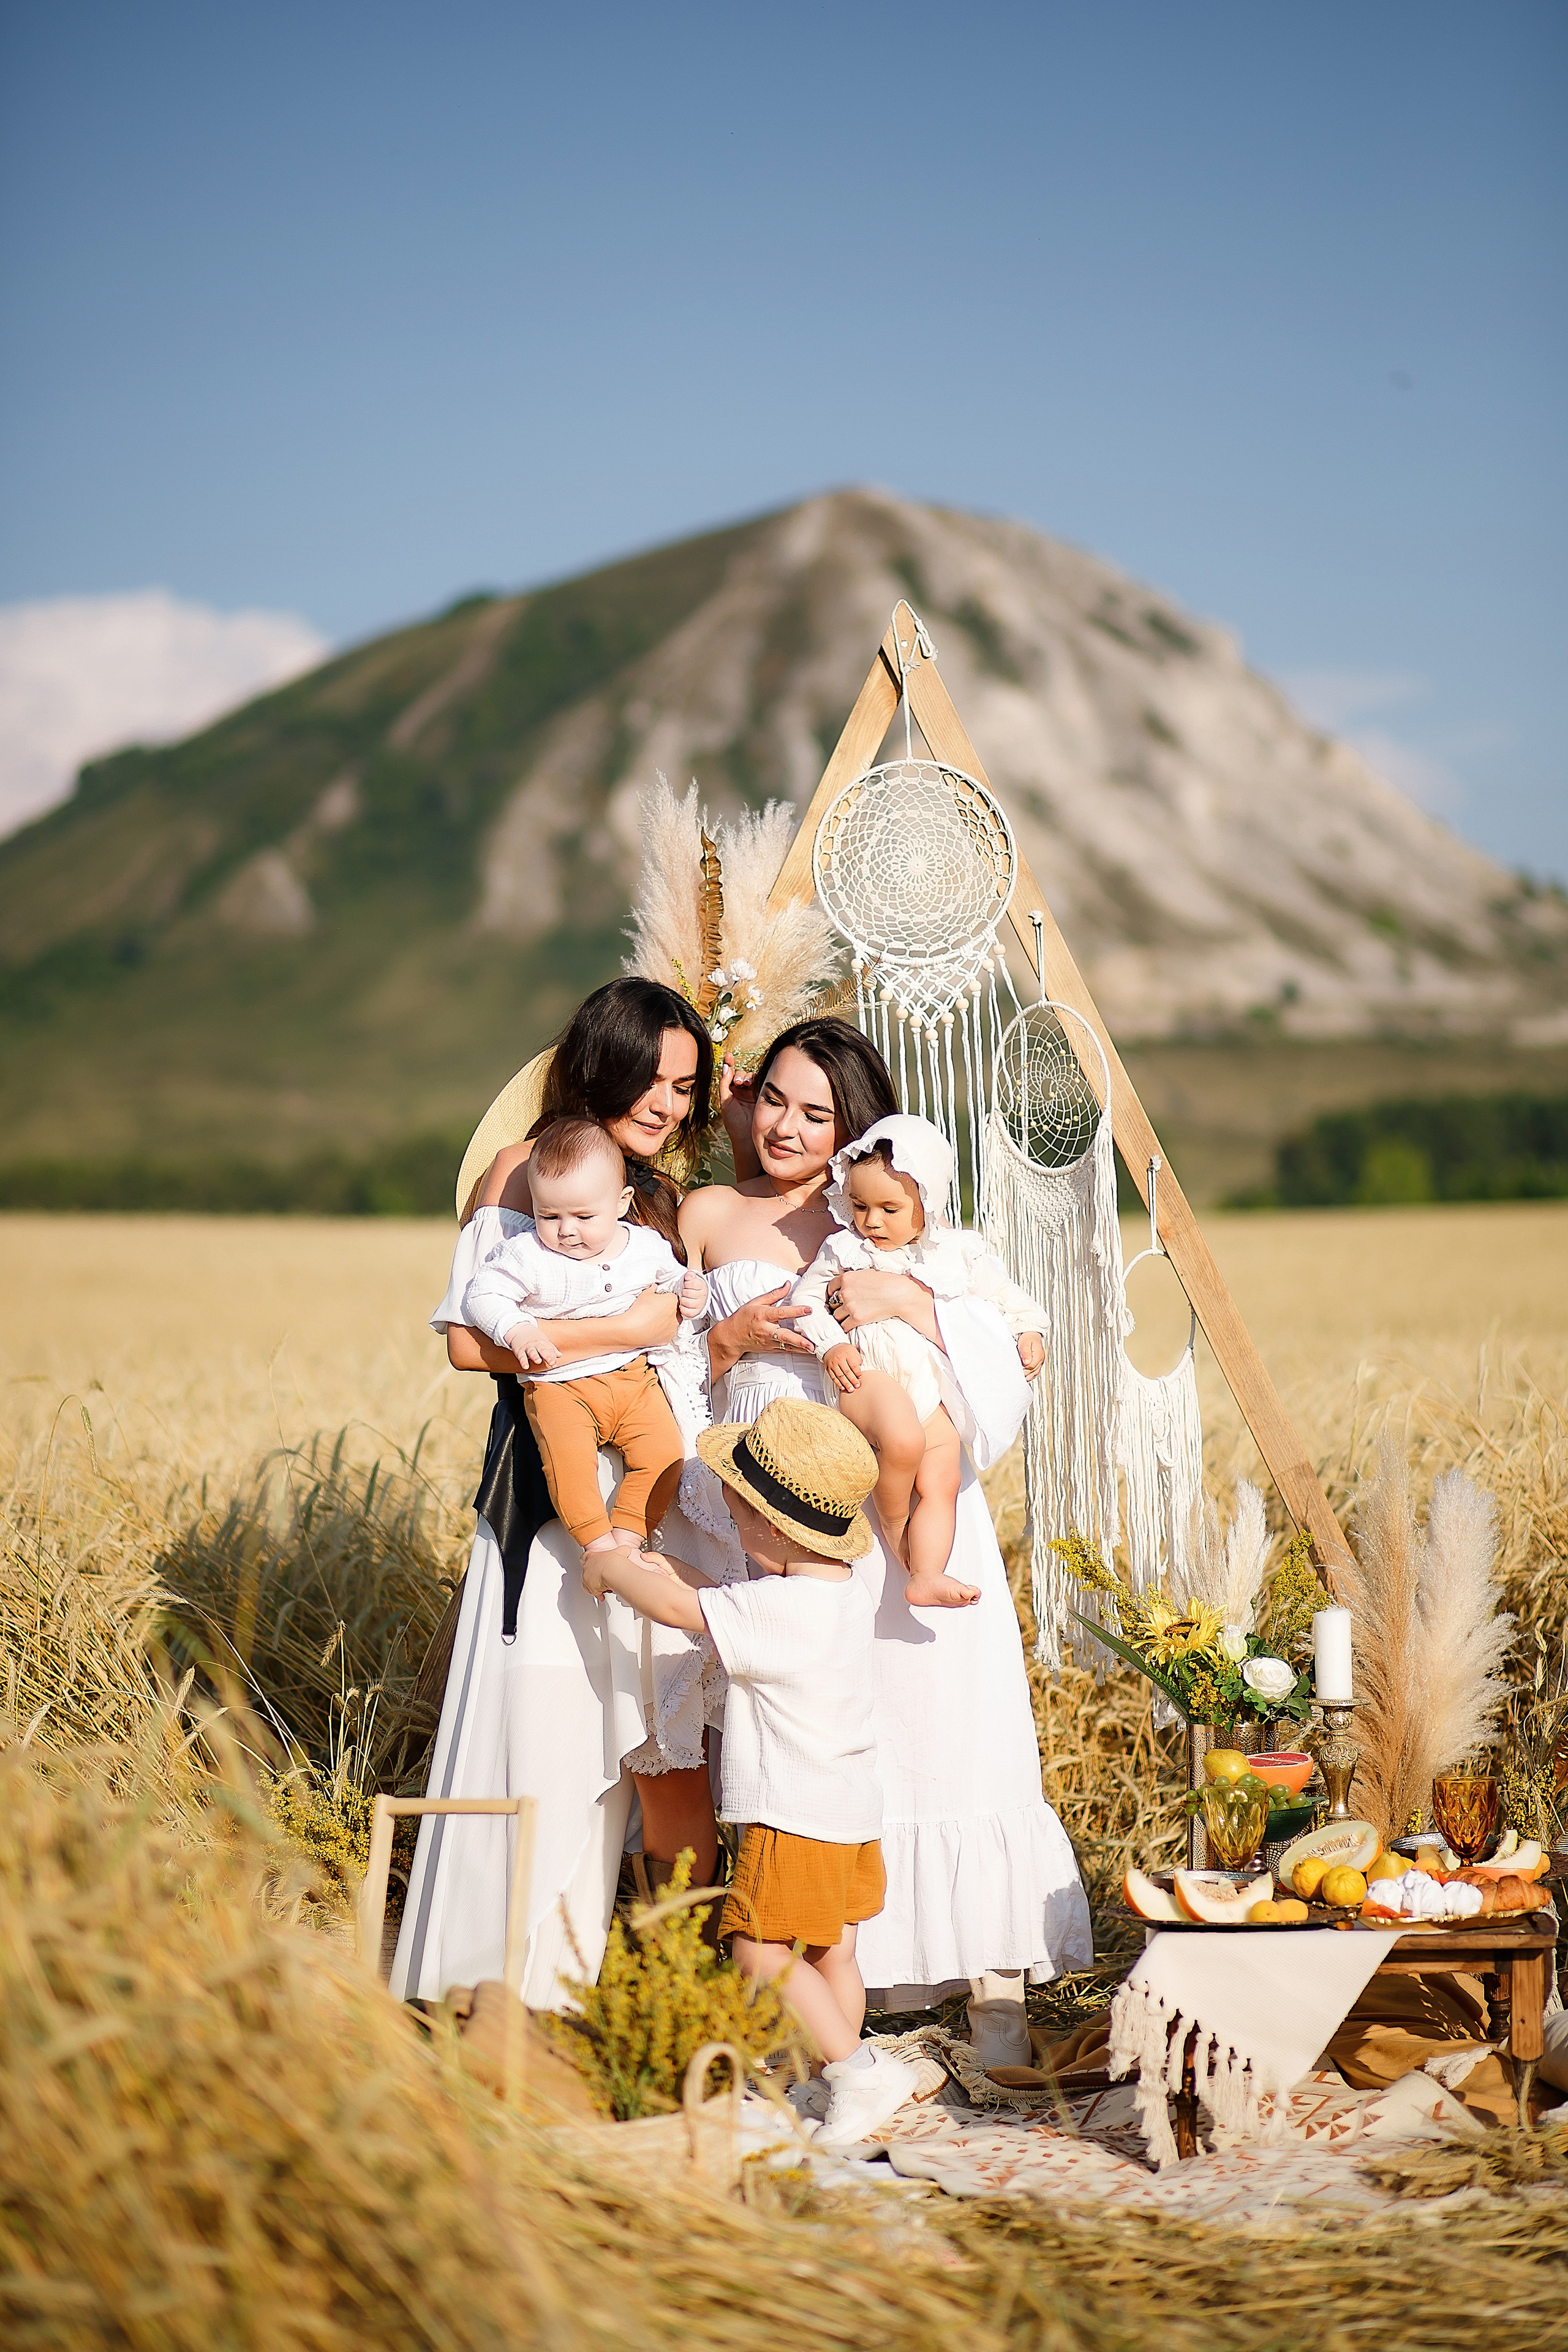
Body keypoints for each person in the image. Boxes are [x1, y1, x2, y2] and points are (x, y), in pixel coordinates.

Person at [680, 1019, 1093, 2061]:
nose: (785, 1125)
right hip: (790, 1525)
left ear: (859, 1129)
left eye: (817, 1112)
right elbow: (671, 1366)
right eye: (773, 1099)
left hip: (913, 1510)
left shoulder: (889, 1215)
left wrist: (908, 1296)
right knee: (831, 1753)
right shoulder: (712, 1212)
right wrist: (728, 1338)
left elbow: (1004, 1354)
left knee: (950, 1724)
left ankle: (993, 1982)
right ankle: (840, 1996)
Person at [391, 978, 736, 2011]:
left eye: (686, 1086)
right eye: (651, 1078)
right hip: (550, 1501)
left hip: (657, 1500)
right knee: (546, 1726)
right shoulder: (522, 1170)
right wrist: (621, 1332)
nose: (668, 1103)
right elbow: (467, 1342)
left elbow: (681, 1341)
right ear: (599, 1065)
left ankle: (658, 1992)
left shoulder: (652, 1197)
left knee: (660, 1750)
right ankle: (510, 1989)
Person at [589, 1396, 925, 2149]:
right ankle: (828, 2078)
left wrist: (613, 1566)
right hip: (849, 1810)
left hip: (789, 1813)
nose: (732, 1522)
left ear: (772, 1528)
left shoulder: (778, 1612)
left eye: (738, 1513)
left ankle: (859, 2072)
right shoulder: (838, 1591)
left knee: (755, 1950)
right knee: (832, 1952)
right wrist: (673, 1567)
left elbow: (680, 1612)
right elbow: (725, 1602)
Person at [789, 1114, 1048, 1610]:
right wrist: (831, 1346)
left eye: (890, 1208)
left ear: (928, 1203)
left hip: (932, 1391)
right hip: (865, 1376)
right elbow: (807, 1301)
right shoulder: (844, 1249)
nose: (872, 1221)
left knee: (942, 1480)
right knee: (904, 1439)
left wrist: (1029, 1332)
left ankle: (926, 1573)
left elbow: (1008, 1299)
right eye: (860, 1205)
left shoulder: (958, 1253)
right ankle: (894, 1527)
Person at [461, 1116, 709, 1591]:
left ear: (622, 1203)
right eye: (549, 1216)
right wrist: (516, 1328)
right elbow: (482, 1296)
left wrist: (690, 1288)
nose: (566, 1231)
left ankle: (628, 1539)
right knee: (570, 1468)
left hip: (634, 1380)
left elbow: (673, 1276)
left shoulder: (644, 1245)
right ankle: (596, 1545)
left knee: (665, 1455)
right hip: (560, 1387)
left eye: (582, 1217)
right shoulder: (526, 1255)